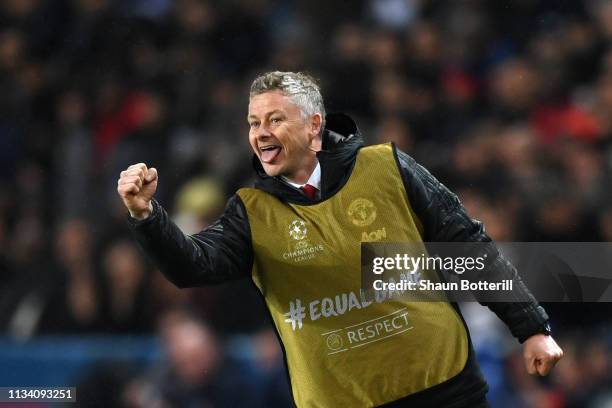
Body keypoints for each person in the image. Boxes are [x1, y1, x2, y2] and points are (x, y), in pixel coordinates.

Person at [118, 71, 563, 407]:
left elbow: (468, 246)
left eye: (275, 118)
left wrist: (531, 328)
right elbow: (191, 267)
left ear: (314, 125)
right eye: (254, 123)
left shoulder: (387, 167)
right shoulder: (250, 212)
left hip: (443, 389)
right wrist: (146, 215)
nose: (261, 133)